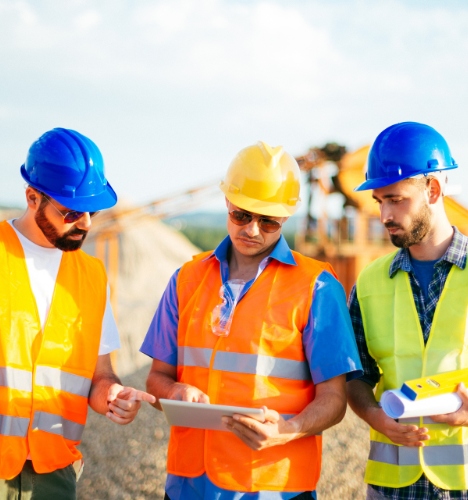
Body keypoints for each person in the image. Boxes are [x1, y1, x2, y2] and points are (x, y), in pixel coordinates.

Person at [140, 141, 363, 500]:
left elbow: (334, 399)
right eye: (242, 215)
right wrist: (173, 392)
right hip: (188, 486)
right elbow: (157, 379)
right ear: (227, 202)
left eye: (269, 221)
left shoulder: (317, 288)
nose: (253, 230)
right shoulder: (186, 279)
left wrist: (288, 429)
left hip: (274, 487)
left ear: (286, 217)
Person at [0, 128, 155, 499]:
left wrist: (112, 395)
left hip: (53, 473)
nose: (85, 223)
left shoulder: (92, 275)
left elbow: (99, 375)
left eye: (92, 211)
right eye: (71, 211)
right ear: (32, 197)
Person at [347, 121, 468, 500]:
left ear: (433, 189)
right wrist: (375, 416)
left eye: (396, 199)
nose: (384, 214)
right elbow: (356, 378)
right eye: (379, 201)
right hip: (393, 488)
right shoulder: (368, 283)